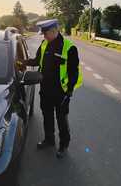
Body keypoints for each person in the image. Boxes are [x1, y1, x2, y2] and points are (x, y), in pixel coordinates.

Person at [22, 19, 82, 158]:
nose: (44, 37)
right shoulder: (44, 44)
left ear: (54, 31)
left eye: (46, 34)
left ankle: (63, 145)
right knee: (47, 116)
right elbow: (37, 61)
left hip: (61, 92)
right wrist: (23, 62)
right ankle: (49, 140)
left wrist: (70, 91)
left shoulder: (69, 47)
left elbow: (74, 72)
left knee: (61, 119)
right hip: (45, 89)